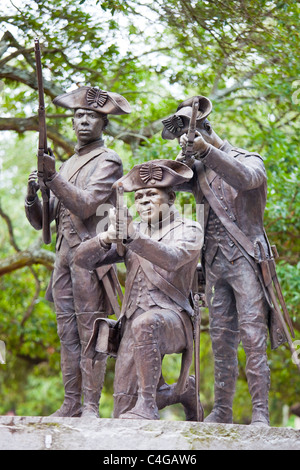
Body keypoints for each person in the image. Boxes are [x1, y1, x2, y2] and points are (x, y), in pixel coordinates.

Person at [161, 96, 287, 426]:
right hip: (215, 263)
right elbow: (167, 183)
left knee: (253, 337)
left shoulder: (248, 159)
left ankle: (260, 412)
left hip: (247, 260)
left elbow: (246, 179)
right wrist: (181, 159)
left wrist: (205, 150)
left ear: (207, 130)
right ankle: (223, 410)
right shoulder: (200, 171)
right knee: (221, 341)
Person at [25, 86, 131, 418]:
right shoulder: (68, 162)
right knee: (66, 331)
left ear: (104, 123)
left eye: (92, 116)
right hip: (63, 259)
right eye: (79, 115)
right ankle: (70, 402)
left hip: (90, 259)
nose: (84, 120)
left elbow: (85, 206)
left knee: (90, 331)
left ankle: (89, 406)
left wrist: (52, 176)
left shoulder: (108, 160)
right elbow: (44, 220)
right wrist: (32, 195)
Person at [74, 159, 204, 420]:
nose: (144, 201)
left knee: (147, 323)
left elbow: (172, 258)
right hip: (133, 322)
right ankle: (183, 391)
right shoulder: (132, 232)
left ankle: (148, 405)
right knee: (122, 411)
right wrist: (106, 238)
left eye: (152, 194)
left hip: (175, 320)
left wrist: (133, 236)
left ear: (171, 198)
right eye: (139, 196)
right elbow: (81, 260)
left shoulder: (190, 229)